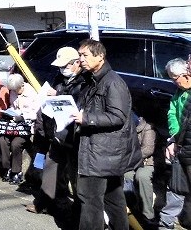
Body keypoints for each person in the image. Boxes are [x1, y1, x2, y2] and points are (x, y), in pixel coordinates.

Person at [72, 38, 142, 230]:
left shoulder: (112, 82)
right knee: (114, 200)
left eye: (85, 55)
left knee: (90, 202)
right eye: (79, 55)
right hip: (103, 153)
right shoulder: (92, 80)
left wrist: (86, 118)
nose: (81, 60)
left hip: (101, 154)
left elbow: (118, 116)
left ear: (100, 56)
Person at [27, 46, 87, 218]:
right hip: (58, 131)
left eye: (66, 65)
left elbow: (77, 99)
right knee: (50, 168)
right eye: (61, 66)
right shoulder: (59, 77)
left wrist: (57, 93)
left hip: (74, 134)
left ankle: (78, 210)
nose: (63, 69)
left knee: (75, 175)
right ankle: (44, 202)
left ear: (76, 63)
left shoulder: (85, 79)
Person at [162, 57, 191, 229]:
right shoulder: (179, 93)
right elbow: (172, 113)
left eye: (174, 78)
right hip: (183, 146)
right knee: (179, 187)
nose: (174, 82)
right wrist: (174, 136)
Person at [0, 73, 39, 185]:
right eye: (13, 90)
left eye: (16, 89)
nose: (15, 92)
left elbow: (35, 112)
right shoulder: (12, 92)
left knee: (16, 144)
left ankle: (17, 172)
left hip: (25, 126)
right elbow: (12, 106)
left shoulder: (32, 93)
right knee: (2, 140)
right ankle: (7, 168)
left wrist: (22, 116)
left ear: (21, 85)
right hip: (12, 125)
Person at [123, 113, 156, 226]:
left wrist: (129, 157)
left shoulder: (148, 127)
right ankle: (133, 208)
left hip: (147, 163)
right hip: (132, 162)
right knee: (126, 175)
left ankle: (148, 214)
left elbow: (148, 149)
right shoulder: (127, 129)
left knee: (141, 176)